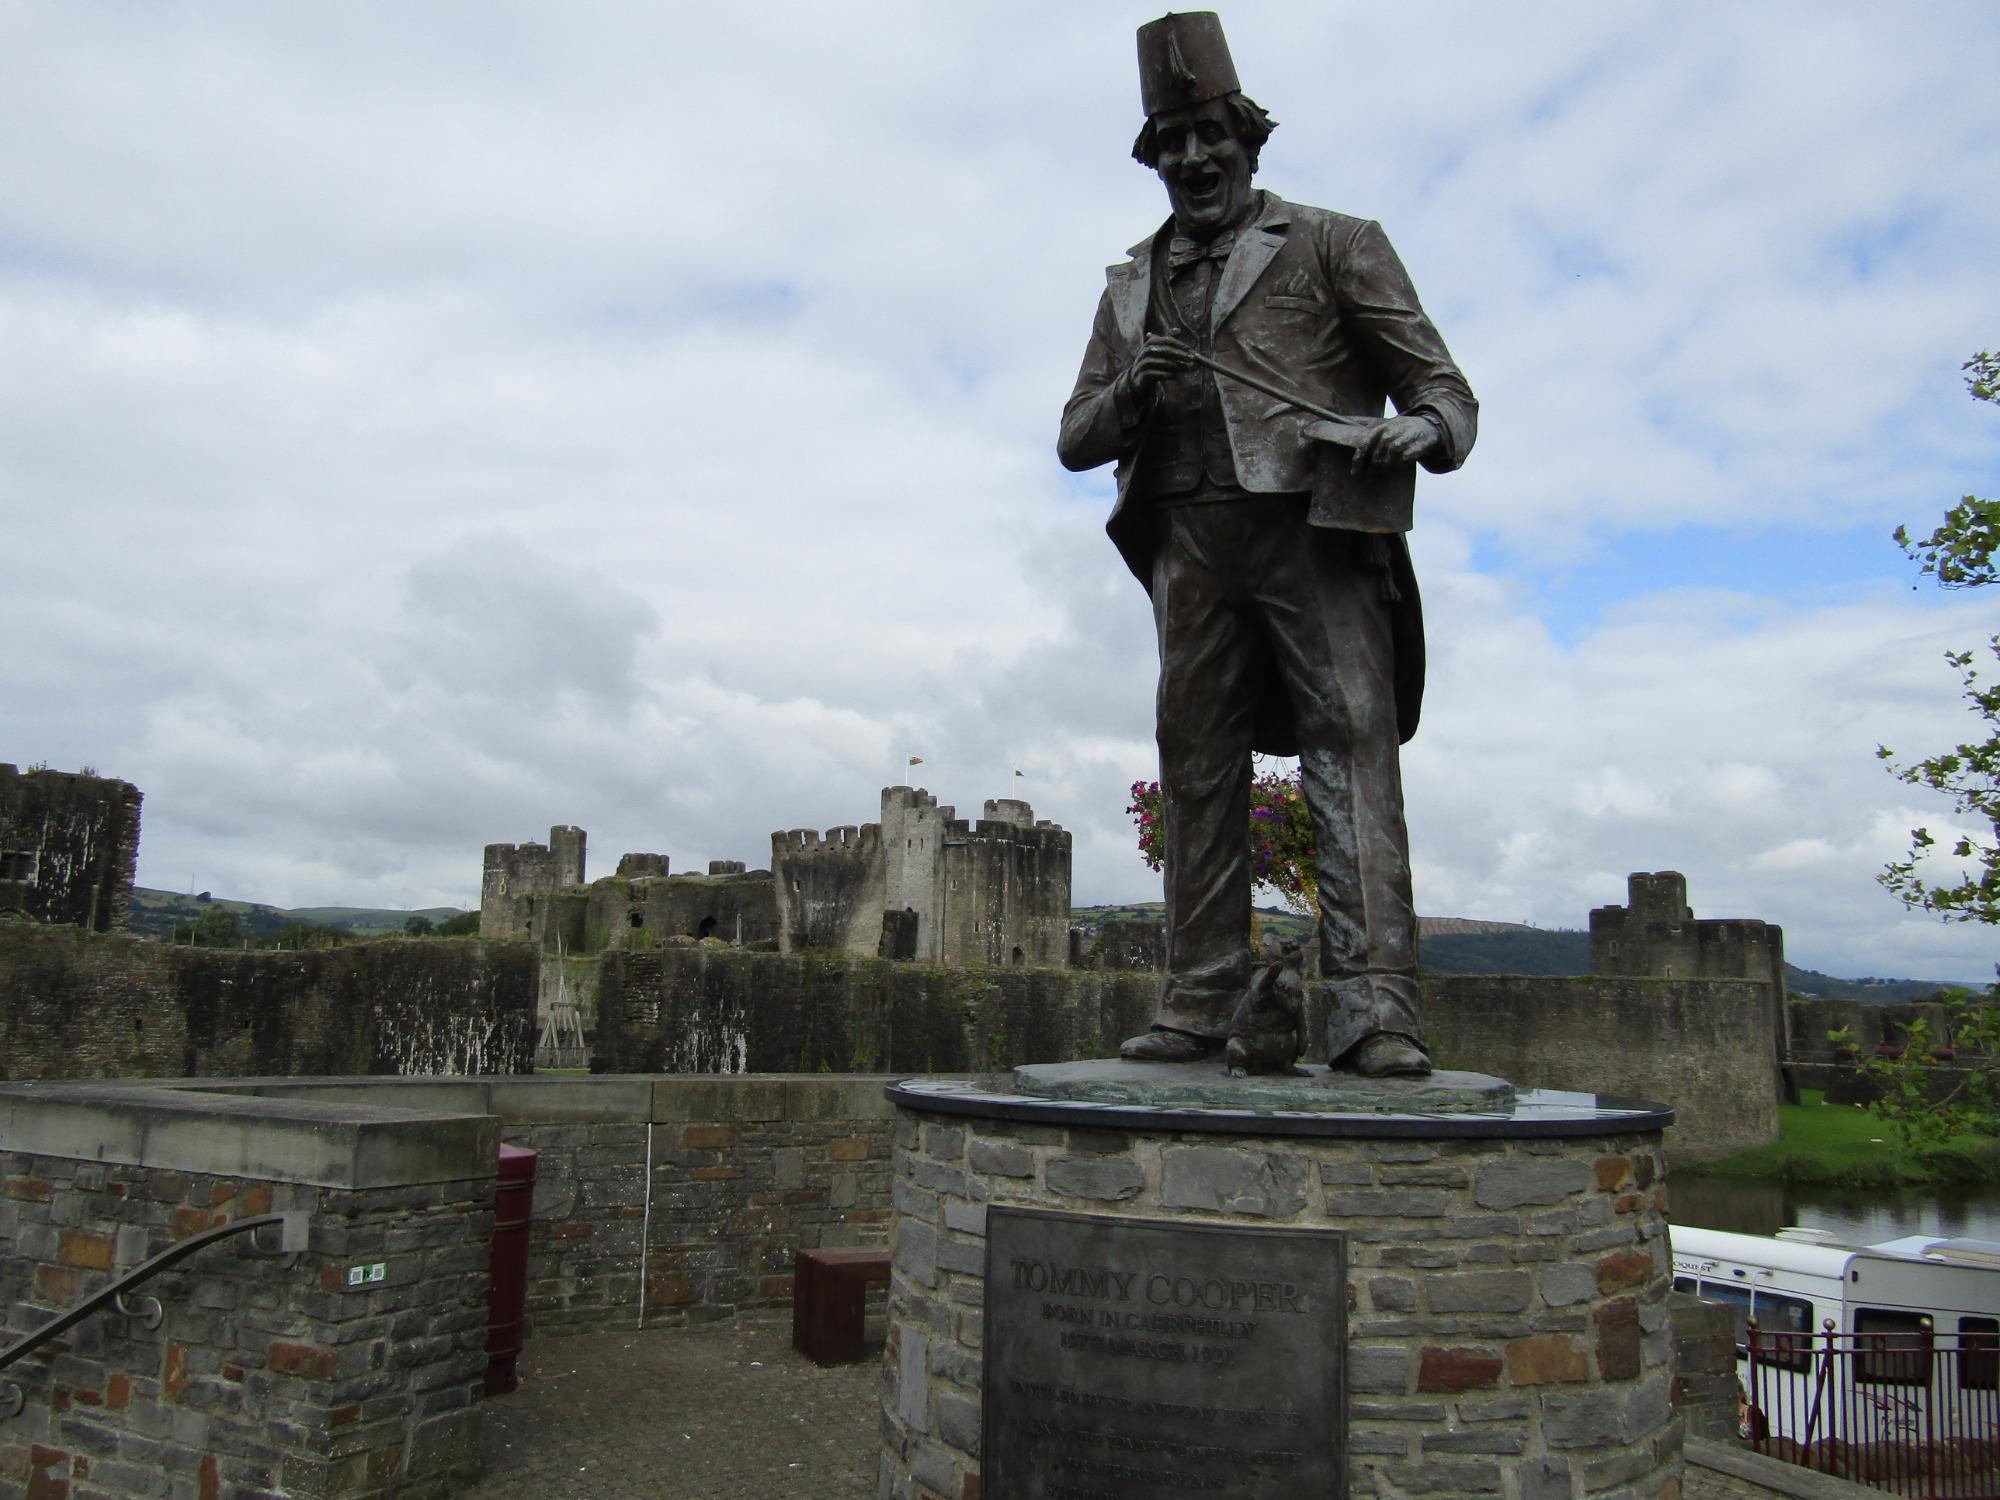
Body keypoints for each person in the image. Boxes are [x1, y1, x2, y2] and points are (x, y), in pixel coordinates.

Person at [1058, 12, 1478, 1077]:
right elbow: (1074, 438)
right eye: (1173, 142)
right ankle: (1198, 1000)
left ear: (1248, 139)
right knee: (1195, 759)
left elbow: (1444, 392)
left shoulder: (1337, 242)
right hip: (1188, 542)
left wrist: (1421, 431)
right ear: (1153, 157)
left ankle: (1376, 1012)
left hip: (1316, 535)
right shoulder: (1127, 286)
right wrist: (1132, 389)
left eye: (1212, 135)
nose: (1194, 157)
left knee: (1350, 747)